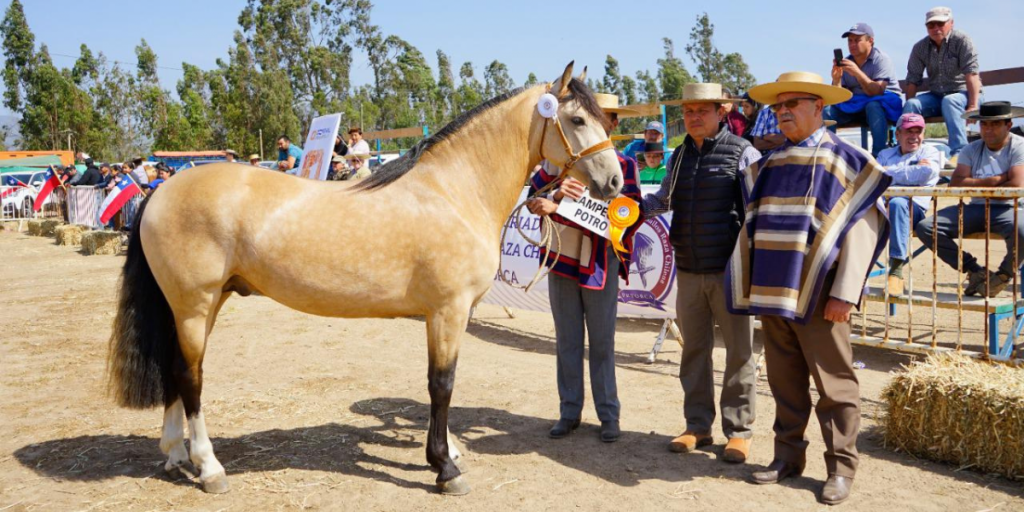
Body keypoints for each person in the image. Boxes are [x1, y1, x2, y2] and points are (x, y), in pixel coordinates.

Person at [732, 71, 890, 505]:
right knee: (785, 381)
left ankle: (841, 468)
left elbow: (863, 227)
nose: (783, 112)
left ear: (819, 107)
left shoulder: (844, 158)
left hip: (821, 295)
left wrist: (845, 291)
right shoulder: (770, 162)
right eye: (778, 107)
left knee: (835, 385)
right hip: (773, 291)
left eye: (793, 104)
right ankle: (787, 457)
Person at [642, 82, 761, 463]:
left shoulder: (744, 153)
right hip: (689, 269)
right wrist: (623, 207)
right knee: (694, 352)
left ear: (721, 112)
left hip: (731, 270)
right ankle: (697, 426)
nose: (693, 117)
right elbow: (662, 200)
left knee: (739, 354)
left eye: (702, 111)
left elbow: (756, 213)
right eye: (689, 111)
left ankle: (738, 431)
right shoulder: (678, 157)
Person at [525, 92, 642, 444]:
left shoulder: (624, 166)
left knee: (603, 343)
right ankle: (569, 411)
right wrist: (545, 202)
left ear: (614, 123)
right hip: (562, 261)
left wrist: (565, 204)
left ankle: (609, 415)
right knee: (567, 341)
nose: (599, 121)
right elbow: (534, 199)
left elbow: (628, 214)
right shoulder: (555, 166)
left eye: (605, 116)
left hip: (599, 263)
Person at [916, 101, 1024, 297]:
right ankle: (975, 270)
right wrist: (998, 179)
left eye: (995, 124)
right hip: (977, 207)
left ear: (1008, 125)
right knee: (926, 227)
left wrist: (974, 183)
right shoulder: (971, 149)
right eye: (984, 124)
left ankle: (1002, 276)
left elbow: (1016, 186)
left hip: (1010, 207)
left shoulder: (1019, 146)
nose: (988, 129)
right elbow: (956, 184)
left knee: (1023, 230)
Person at [903, 6, 982, 160]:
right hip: (936, 96)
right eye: (931, 25)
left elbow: (972, 73)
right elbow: (912, 80)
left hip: (964, 94)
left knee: (950, 100)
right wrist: (909, 109)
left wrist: (973, 106)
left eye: (940, 23)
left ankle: (959, 154)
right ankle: (910, 153)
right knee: (912, 104)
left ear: (951, 23)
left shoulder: (962, 40)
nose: (936, 28)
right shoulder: (919, 47)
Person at [876, 113, 942, 295]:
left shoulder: (930, 152)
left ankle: (896, 272)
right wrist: (910, 172)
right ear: (897, 134)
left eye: (918, 131)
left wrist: (889, 173)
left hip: (913, 211)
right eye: (908, 131)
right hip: (883, 210)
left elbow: (925, 173)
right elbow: (875, 177)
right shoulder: (885, 153)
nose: (914, 136)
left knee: (897, 202)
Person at [824, 23, 903, 156]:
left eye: (857, 40)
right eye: (850, 41)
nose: (852, 44)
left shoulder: (881, 59)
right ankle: (828, 153)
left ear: (870, 41)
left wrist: (857, 72)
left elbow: (877, 91)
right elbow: (839, 97)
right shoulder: (846, 62)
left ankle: (879, 155)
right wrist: (836, 79)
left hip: (881, 107)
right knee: (827, 110)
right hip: (855, 106)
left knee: (873, 105)